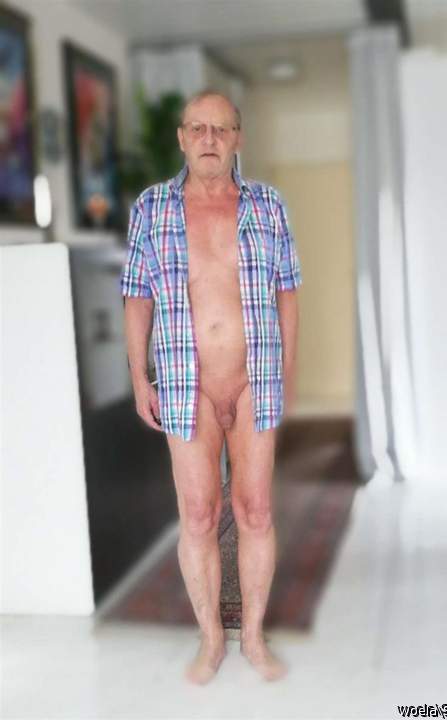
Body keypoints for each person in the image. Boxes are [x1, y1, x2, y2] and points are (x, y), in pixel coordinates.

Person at [120, 89, 302, 684]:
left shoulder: (268, 205)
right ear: (181, 138)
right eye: (197, 128)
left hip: (254, 379)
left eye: (221, 129)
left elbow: (287, 292)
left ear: (237, 138)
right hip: (183, 382)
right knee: (199, 516)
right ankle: (210, 641)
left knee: (255, 511)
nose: (209, 139)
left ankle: (252, 637)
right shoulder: (151, 207)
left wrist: (286, 372)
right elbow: (137, 296)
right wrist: (138, 376)